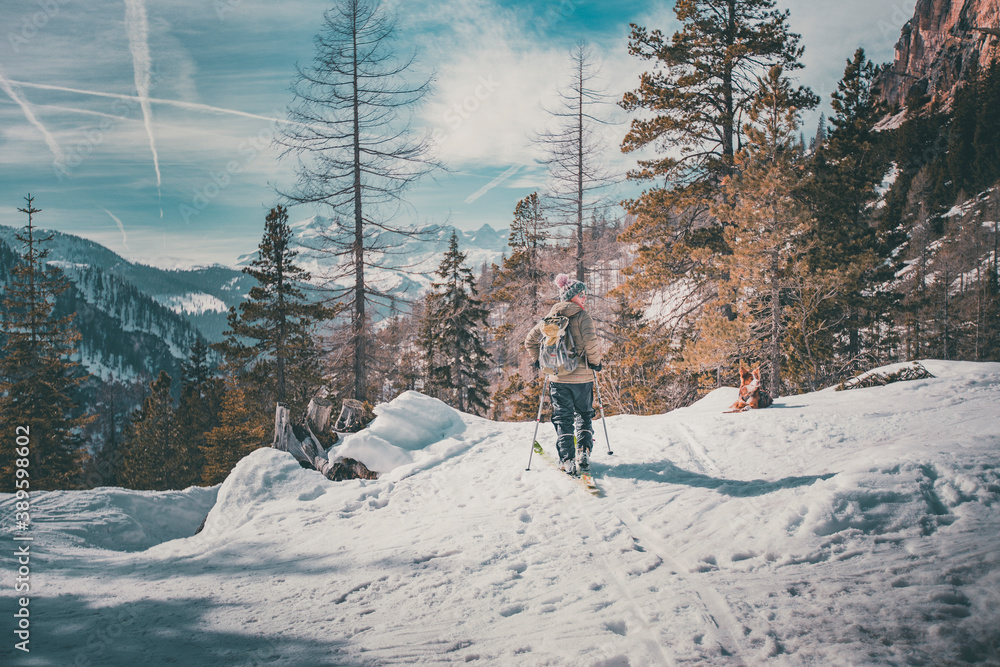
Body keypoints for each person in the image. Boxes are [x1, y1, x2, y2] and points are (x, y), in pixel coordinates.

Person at [524, 274, 603, 475]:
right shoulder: (583, 317)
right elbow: (592, 344)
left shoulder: (550, 319)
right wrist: (595, 363)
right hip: (582, 378)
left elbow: (530, 341)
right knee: (584, 414)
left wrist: (538, 361)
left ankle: (567, 459)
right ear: (571, 296)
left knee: (562, 417)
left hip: (557, 378)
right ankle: (583, 450)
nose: (585, 297)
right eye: (581, 294)